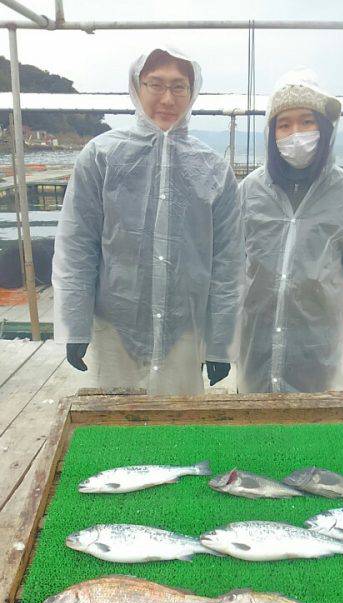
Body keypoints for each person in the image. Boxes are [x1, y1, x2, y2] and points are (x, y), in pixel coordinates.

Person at [53, 46, 243, 394]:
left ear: (192, 91)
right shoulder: (101, 156)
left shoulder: (214, 169)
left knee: (179, 427)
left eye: (179, 87)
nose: (167, 98)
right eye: (155, 84)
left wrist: (221, 343)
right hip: (115, 327)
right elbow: (78, 244)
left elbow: (227, 263)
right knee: (117, 424)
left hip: (185, 329)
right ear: (136, 87)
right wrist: (74, 324)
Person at [237, 68, 343, 393]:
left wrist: (318, 309)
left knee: (312, 433)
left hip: (316, 348)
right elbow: (233, 264)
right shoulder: (249, 191)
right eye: (284, 124)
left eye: (306, 121)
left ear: (324, 128)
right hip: (256, 345)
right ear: (271, 133)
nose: (295, 133)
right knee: (255, 432)